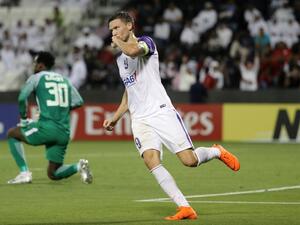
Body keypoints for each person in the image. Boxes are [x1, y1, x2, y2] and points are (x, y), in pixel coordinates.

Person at [103, 12, 240, 221]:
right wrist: (116, 117)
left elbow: (132, 51)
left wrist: (117, 43)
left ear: (130, 25)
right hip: (140, 118)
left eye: (117, 28)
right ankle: (185, 207)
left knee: (189, 160)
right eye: (111, 30)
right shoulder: (121, 60)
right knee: (151, 160)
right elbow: (129, 90)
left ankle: (215, 152)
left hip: (160, 111)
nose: (114, 33)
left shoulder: (146, 43)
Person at [6, 51, 93, 184]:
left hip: (47, 128)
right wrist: (59, 110)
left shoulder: (36, 77)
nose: (33, 67)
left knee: (12, 134)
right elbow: (79, 101)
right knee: (53, 173)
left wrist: (24, 120)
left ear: (41, 65)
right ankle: (79, 166)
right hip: (63, 132)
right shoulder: (65, 80)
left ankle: (24, 173)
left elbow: (22, 97)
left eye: (35, 64)